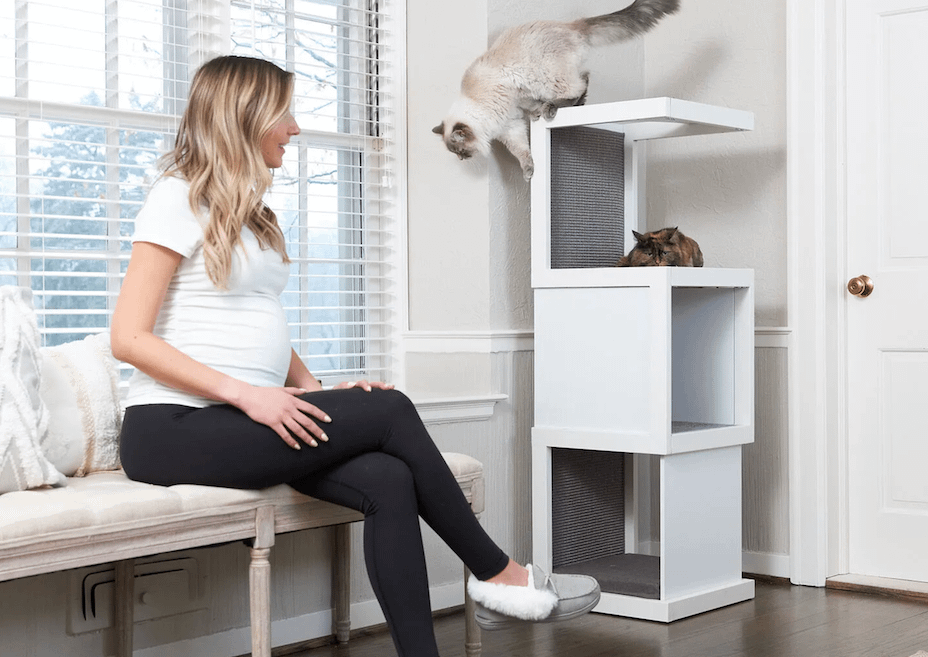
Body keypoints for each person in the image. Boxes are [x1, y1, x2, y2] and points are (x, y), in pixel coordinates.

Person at [110, 55, 599, 657]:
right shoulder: (176, 195)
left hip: (241, 416)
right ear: (246, 115)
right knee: (390, 409)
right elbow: (128, 338)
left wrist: (312, 390)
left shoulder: (252, 214)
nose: (294, 129)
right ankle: (500, 576)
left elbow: (250, 321)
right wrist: (248, 394)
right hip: (170, 428)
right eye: (284, 114)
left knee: (388, 479)